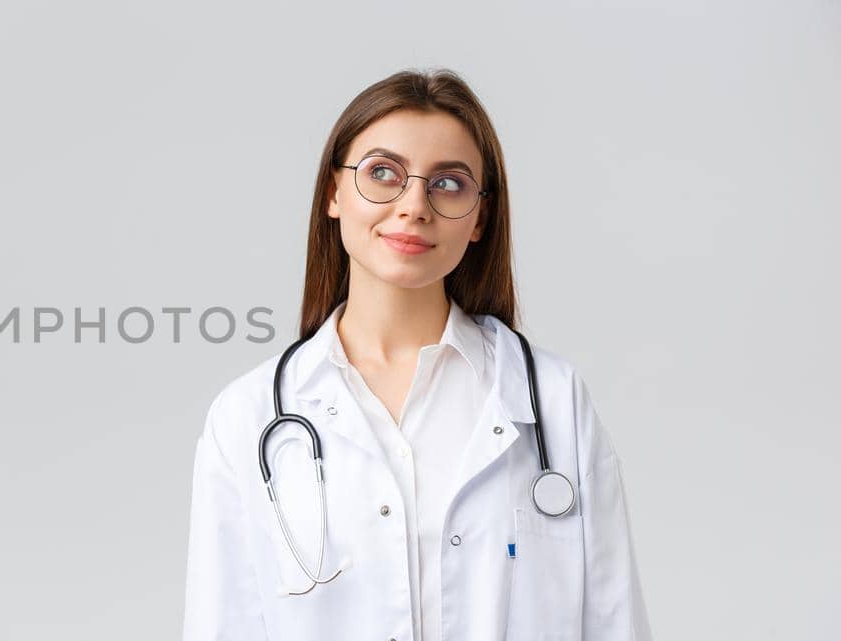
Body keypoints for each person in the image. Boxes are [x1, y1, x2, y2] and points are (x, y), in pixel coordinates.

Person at [182, 68, 652, 641]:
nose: (414, 206)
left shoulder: (552, 400)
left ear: (480, 217)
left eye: (448, 183)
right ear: (334, 192)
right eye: (383, 173)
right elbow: (222, 624)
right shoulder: (247, 415)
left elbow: (612, 620)